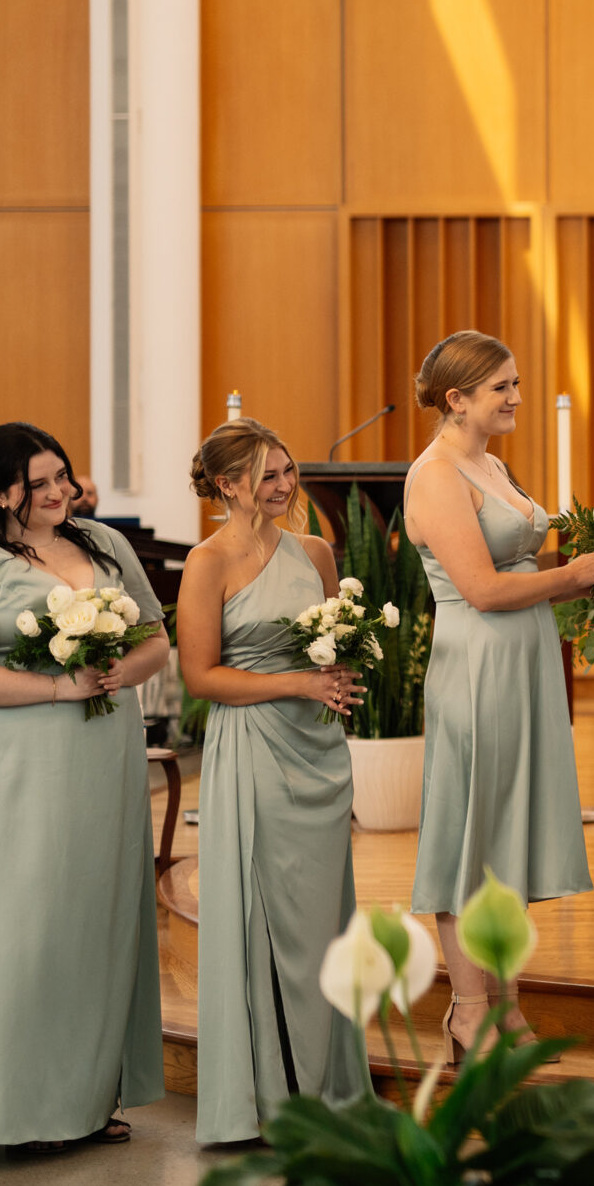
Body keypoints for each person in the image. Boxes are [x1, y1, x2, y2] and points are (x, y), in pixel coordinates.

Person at [0, 422, 170, 1148]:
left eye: (63, 477)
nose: (60, 492)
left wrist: (120, 672)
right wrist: (58, 691)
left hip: (103, 754)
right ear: (1, 489)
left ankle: (86, 1100)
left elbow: (156, 637)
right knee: (16, 927)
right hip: (9, 760)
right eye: (41, 483)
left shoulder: (104, 544)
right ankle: (3, 1107)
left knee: (90, 920)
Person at [405, 331, 594, 1060]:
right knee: (473, 831)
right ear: (456, 398)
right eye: (503, 386)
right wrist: (575, 574)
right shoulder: (436, 474)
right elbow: (483, 587)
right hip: (478, 663)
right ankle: (469, 1007)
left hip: (525, 659)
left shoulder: (490, 461)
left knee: (511, 830)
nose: (517, 398)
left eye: (516, 382)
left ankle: (506, 1001)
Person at [177, 418, 368, 1143]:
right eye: (269, 475)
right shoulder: (208, 561)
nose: (286, 486)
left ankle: (325, 1085)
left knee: (320, 916)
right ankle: (266, 1094)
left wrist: (343, 673)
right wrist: (295, 681)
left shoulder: (315, 550)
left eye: (289, 470)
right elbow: (201, 675)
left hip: (317, 747)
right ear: (229, 485)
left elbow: (334, 633)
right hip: (252, 743)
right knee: (263, 914)